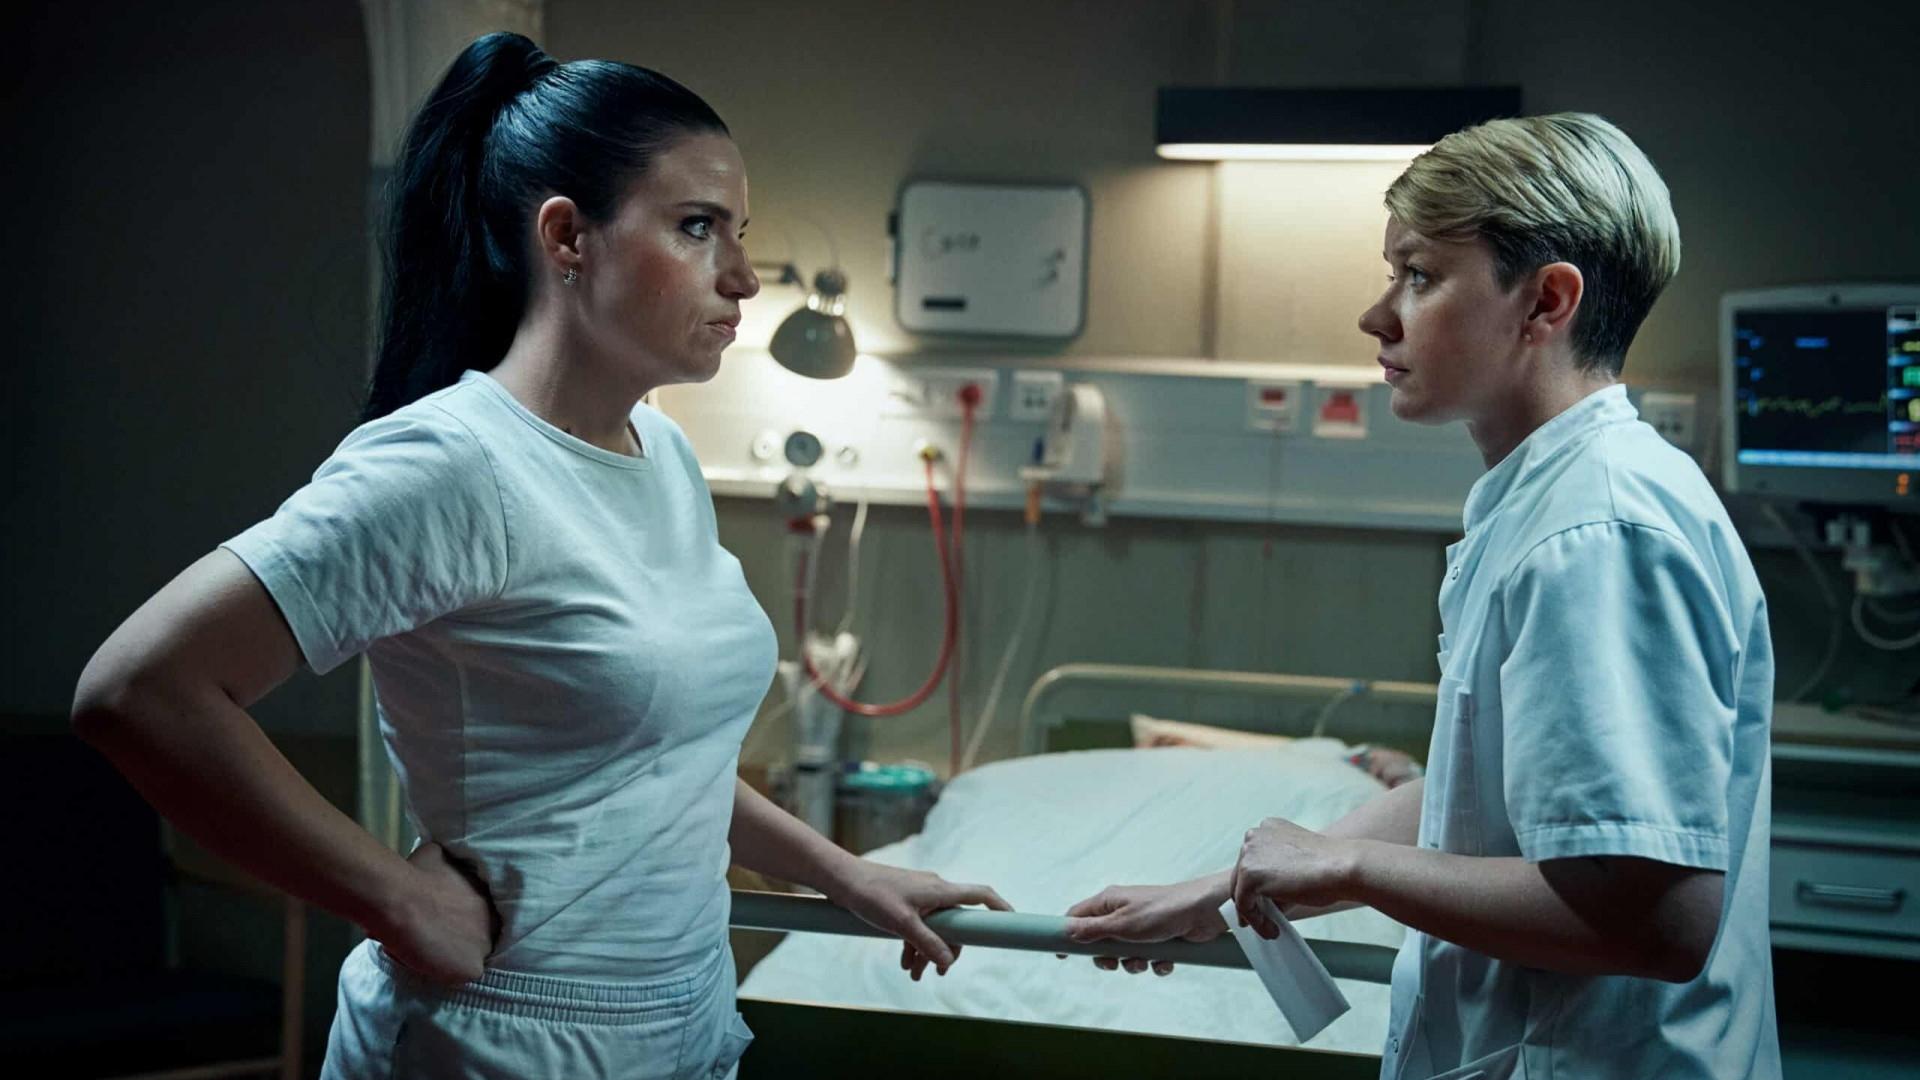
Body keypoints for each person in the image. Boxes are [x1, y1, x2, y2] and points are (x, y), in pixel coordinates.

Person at [71, 32, 1006, 1080]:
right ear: (566, 236)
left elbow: (660, 763)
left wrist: (844, 874)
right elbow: (140, 690)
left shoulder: (660, 454)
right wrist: (393, 897)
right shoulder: (452, 465)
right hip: (500, 1035)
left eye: (737, 232)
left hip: (683, 1019)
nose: (744, 278)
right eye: (698, 227)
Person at [1065, 113, 1779, 1079]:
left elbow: (1659, 922)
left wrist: (1353, 868)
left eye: (1419, 275)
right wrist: (1223, 891)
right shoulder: (1552, 502)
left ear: (1546, 302)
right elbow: (1480, 802)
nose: (1378, 316)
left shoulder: (1597, 533)